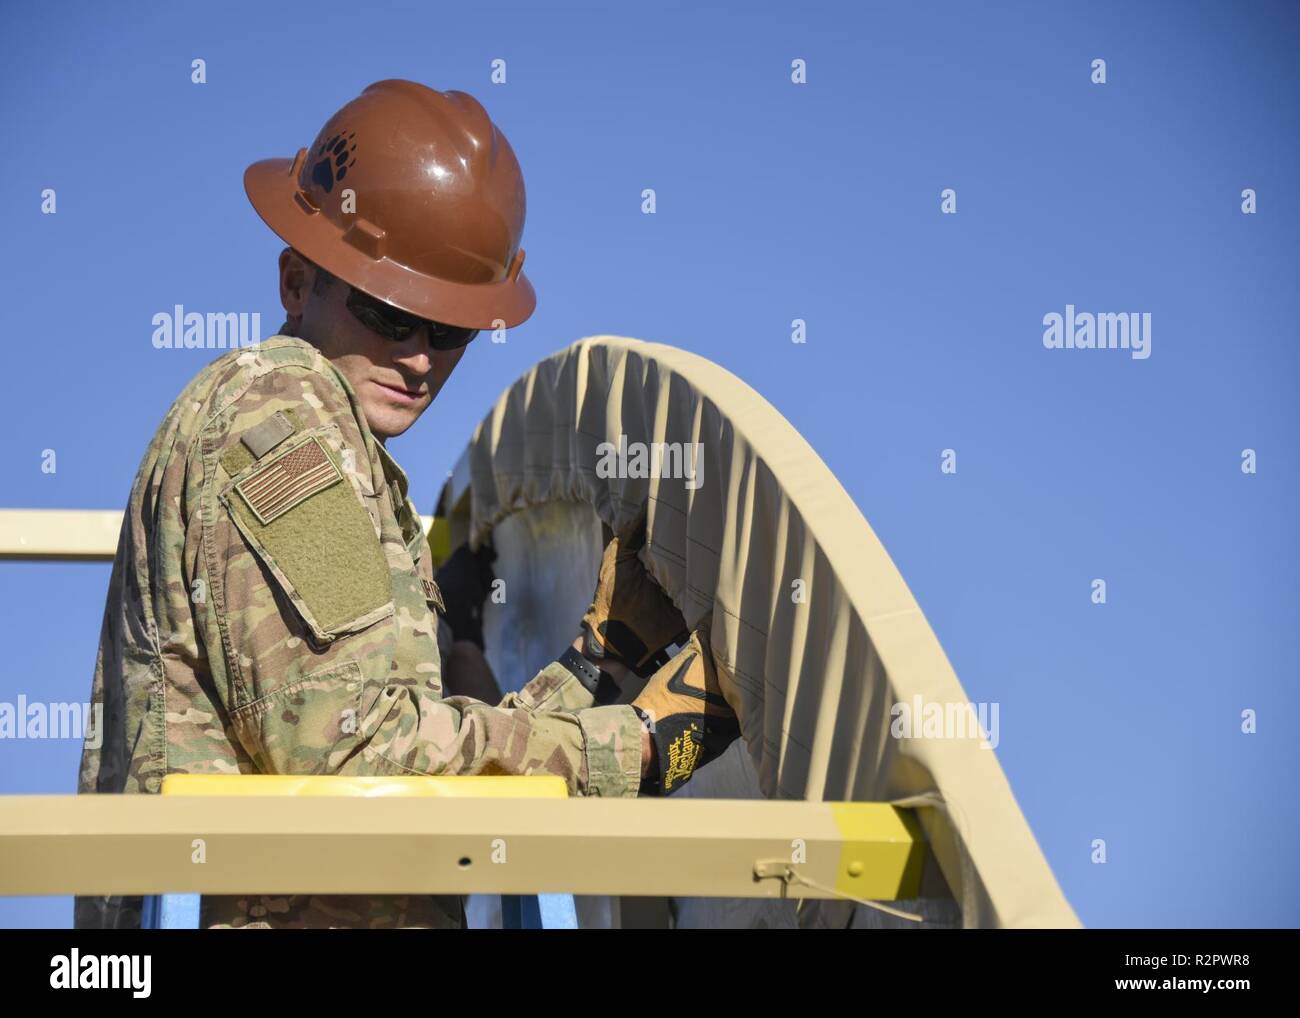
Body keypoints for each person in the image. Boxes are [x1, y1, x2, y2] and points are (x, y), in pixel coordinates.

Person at [76, 80, 741, 930]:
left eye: (450, 329)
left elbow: (392, 741)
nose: (421, 360)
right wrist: (637, 747)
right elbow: (355, 758)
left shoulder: (333, 440)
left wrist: (589, 677)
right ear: (294, 280)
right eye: (389, 315)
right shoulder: (279, 419)